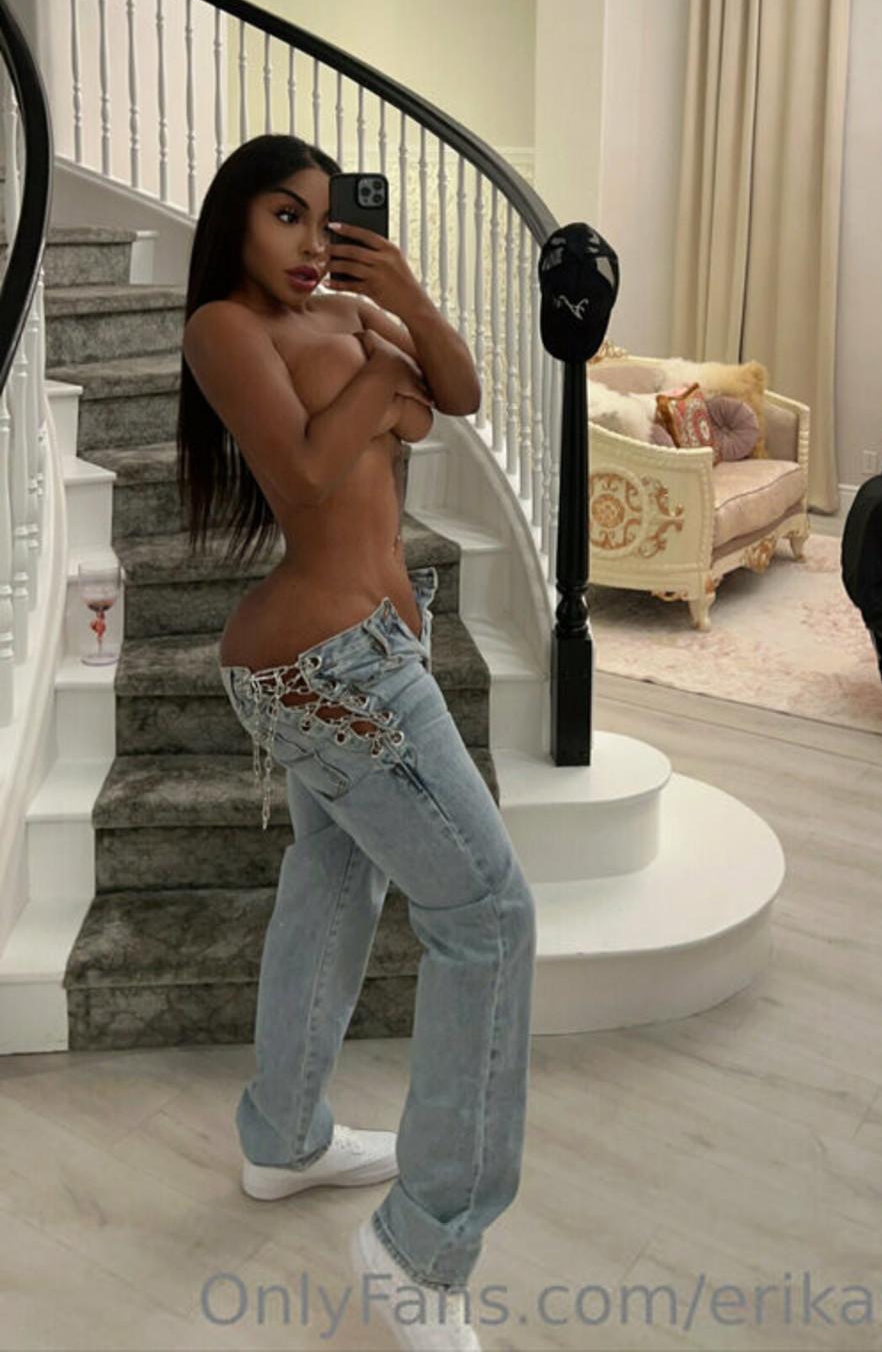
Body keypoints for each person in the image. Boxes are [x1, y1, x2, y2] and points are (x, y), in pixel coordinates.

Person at [177, 133, 537, 1352]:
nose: (308, 241)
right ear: (237, 219)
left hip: (372, 647)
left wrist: (406, 298)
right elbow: (303, 469)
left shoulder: (345, 310)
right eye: (285, 214)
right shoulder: (227, 326)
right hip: (331, 663)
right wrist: (385, 379)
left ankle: (284, 1139)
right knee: (489, 914)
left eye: (326, 221)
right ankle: (419, 1247)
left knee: (334, 877)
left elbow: (459, 393)